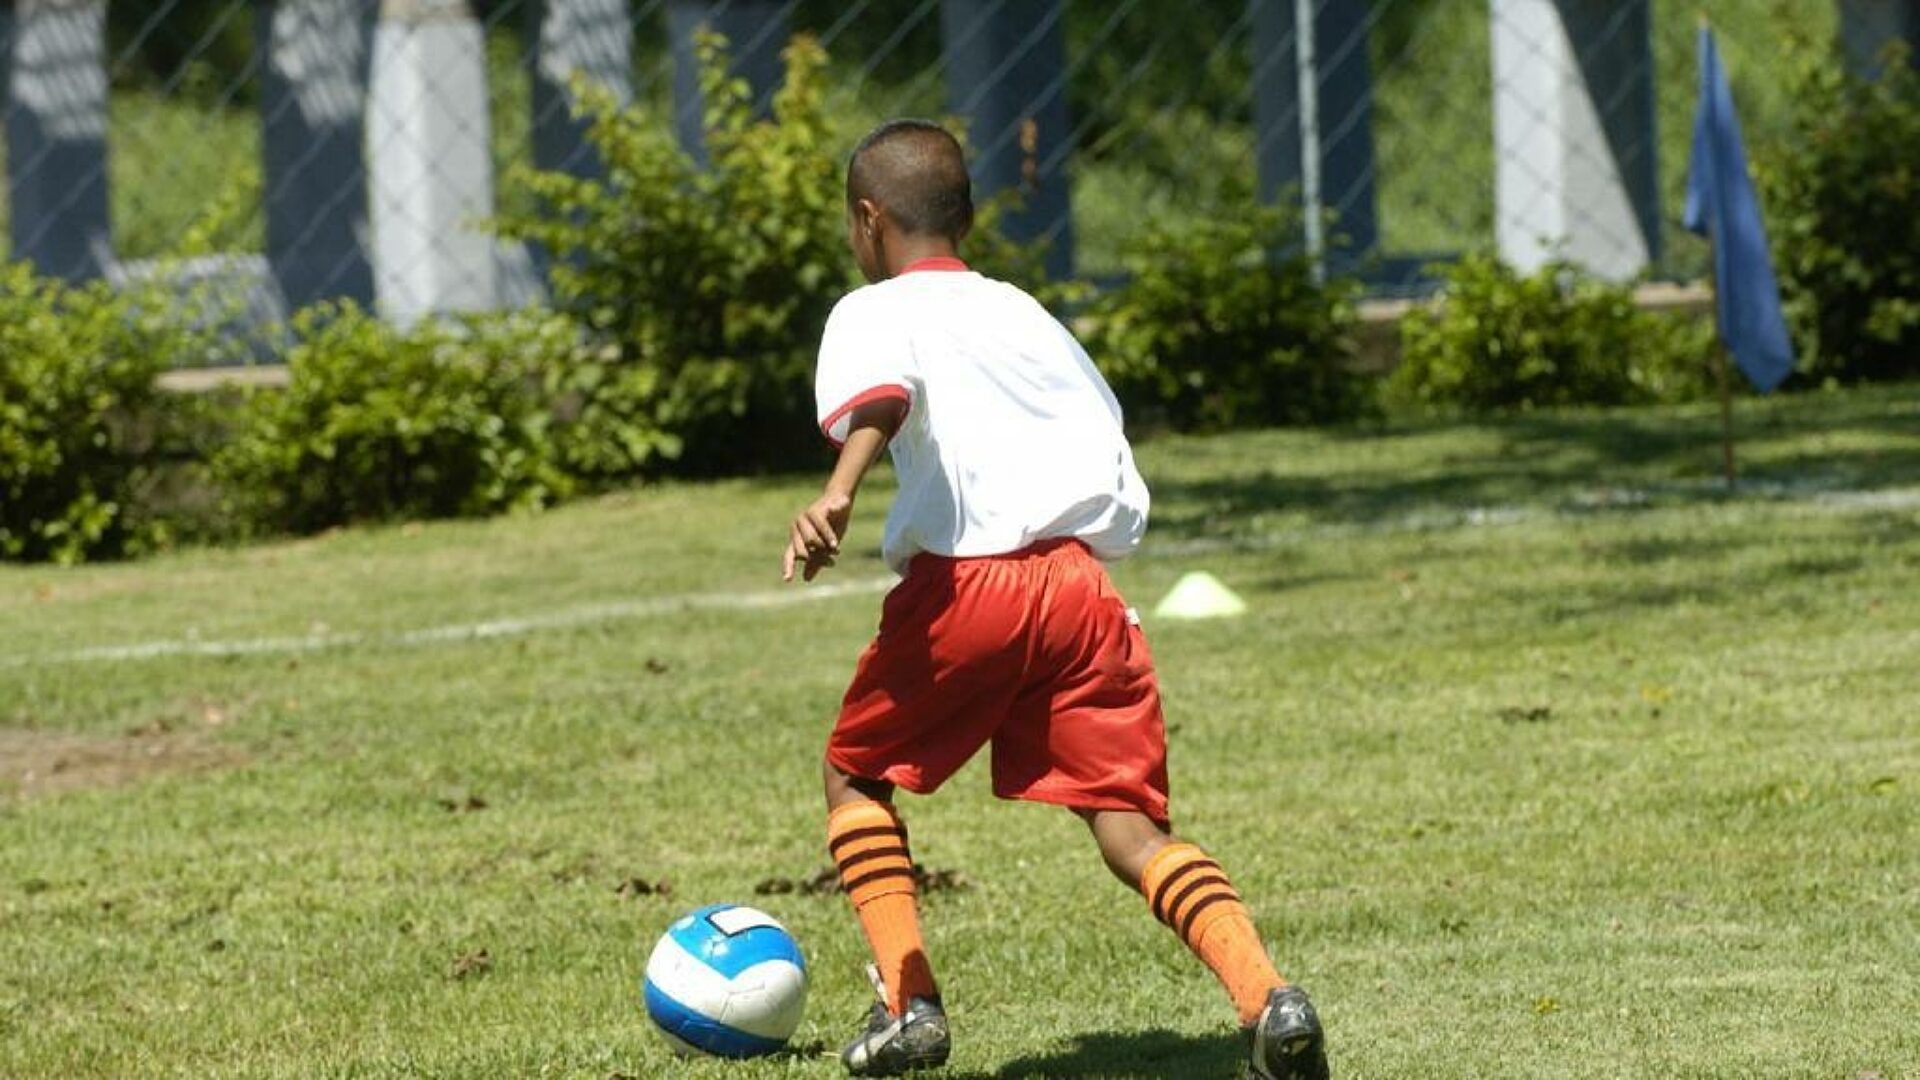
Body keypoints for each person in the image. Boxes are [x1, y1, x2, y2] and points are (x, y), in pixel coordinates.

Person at [781, 118, 1329, 1080]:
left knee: (854, 778)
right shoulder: (1028, 313)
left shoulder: (872, 309)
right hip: (1079, 587)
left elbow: (884, 394)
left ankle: (909, 1008)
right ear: (971, 216)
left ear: (868, 221)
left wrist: (839, 489)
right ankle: (1269, 998)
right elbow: (1102, 436)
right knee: (1129, 825)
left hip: (969, 589)